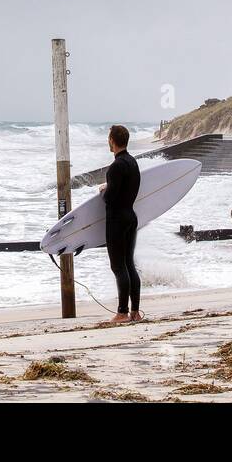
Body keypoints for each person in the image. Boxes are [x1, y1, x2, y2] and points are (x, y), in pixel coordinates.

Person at [99, 124, 141, 323]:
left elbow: (111, 199)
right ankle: (135, 312)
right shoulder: (133, 162)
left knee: (118, 267)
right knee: (129, 264)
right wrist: (111, 186)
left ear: (112, 141)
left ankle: (122, 313)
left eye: (109, 138)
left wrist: (104, 191)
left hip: (116, 220)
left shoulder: (116, 166)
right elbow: (126, 189)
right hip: (131, 217)